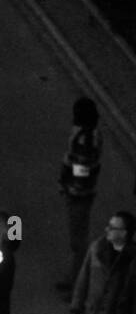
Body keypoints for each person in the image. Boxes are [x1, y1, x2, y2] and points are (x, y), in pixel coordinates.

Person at [58, 96, 102, 292]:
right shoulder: (89, 134)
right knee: (77, 240)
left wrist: (70, 183)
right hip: (81, 192)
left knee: (78, 242)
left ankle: (77, 285)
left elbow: (82, 168)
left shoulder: (85, 138)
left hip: (79, 194)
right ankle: (73, 279)